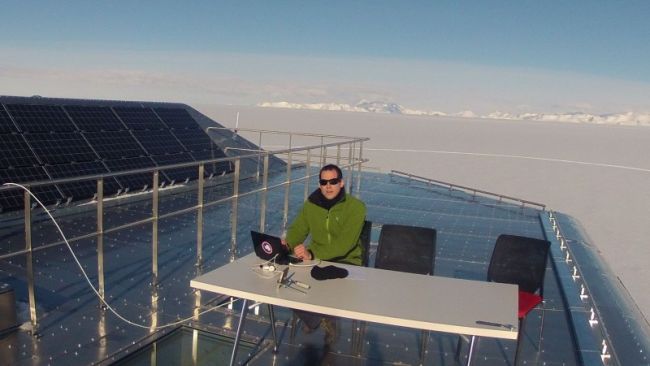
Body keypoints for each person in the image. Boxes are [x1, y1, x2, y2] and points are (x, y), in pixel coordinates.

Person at [283, 164, 367, 344]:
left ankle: (325, 318)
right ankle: (316, 318)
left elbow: (345, 244)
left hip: (346, 261)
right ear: (320, 184)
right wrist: (287, 244)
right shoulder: (311, 205)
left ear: (341, 183)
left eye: (333, 181)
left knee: (332, 288)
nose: (328, 186)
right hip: (316, 259)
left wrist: (312, 253)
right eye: (324, 182)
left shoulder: (356, 208)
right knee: (286, 283)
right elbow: (298, 229)